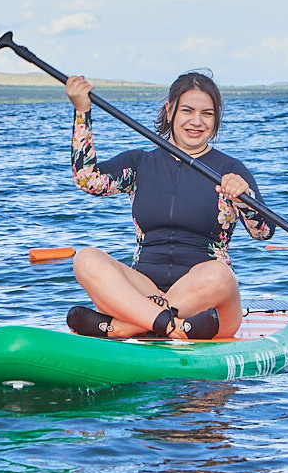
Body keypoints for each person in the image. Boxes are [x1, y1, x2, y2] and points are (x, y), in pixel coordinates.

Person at [64, 69, 275, 342]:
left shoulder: (230, 171)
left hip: (206, 313)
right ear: (169, 110)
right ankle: (167, 326)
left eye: (207, 114)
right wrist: (82, 112)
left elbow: (263, 232)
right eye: (187, 110)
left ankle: (127, 327)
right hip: (143, 292)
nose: (196, 122)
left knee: (220, 275)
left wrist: (243, 199)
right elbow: (88, 180)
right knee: (86, 258)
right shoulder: (140, 164)